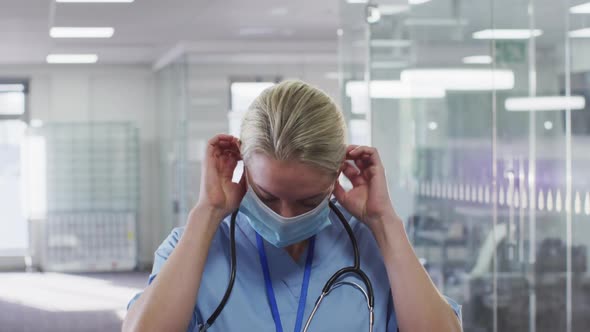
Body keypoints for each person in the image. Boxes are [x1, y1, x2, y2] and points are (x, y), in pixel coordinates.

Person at [122, 80, 462, 332]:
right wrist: (207, 213)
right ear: (242, 168)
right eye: (267, 197)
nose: (284, 215)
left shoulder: (376, 250)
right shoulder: (194, 248)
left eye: (308, 201)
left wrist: (385, 222)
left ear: (336, 177)